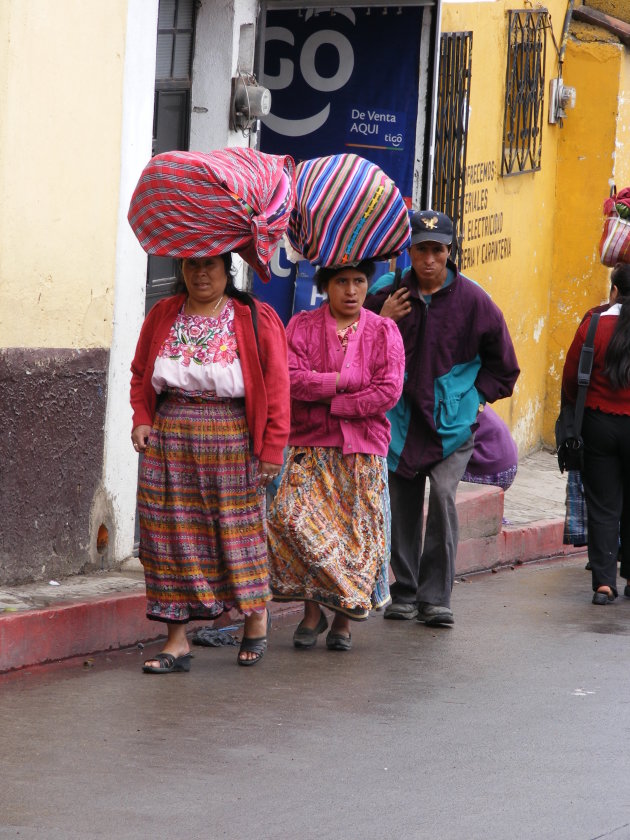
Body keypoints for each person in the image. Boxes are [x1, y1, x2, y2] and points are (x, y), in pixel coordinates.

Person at [130, 254, 290, 669]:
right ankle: (176, 640)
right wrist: (143, 418)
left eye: (211, 266)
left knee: (239, 532)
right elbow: (140, 373)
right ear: (182, 271)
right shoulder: (164, 313)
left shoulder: (254, 316)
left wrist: (273, 448)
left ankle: (255, 618)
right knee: (169, 534)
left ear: (227, 270)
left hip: (231, 436)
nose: (201, 274)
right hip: (170, 437)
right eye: (191, 266)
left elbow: (276, 385)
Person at [364, 210, 520, 626]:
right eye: (420, 250)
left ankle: (436, 598)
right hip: (400, 422)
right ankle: (405, 592)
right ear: (409, 252)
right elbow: (354, 345)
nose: (428, 259)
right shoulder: (386, 291)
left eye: (436, 250)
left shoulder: (474, 301)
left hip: (453, 427)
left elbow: (504, 368)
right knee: (402, 507)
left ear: (449, 252)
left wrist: (472, 399)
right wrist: (382, 321)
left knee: (445, 499)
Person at [267, 261, 405, 651]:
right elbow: (291, 378)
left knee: (352, 537)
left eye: (359, 281)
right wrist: (343, 382)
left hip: (362, 449)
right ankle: (312, 611)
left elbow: (388, 391)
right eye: (341, 281)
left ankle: (342, 619)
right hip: (309, 446)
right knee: (292, 519)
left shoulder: (384, 330)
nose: (350, 290)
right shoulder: (302, 326)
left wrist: (334, 404)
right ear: (326, 285)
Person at [561, 262, 630, 605]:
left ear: (615, 290)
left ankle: (604, 582)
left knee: (603, 505)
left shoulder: (593, 325)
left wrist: (574, 417)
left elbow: (572, 377)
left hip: (598, 424)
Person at [461, 404, 518, 492]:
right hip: (510, 465)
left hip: (493, 473)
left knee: (440, 470)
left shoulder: (453, 405)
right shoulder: (474, 397)